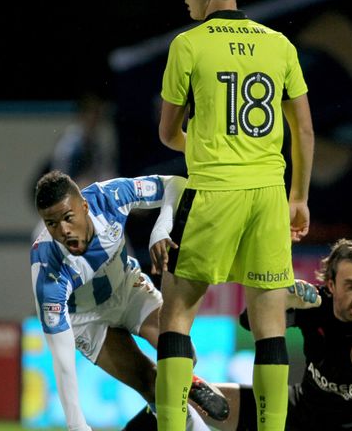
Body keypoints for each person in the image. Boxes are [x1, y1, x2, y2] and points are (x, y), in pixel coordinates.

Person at [154, 0, 315, 429]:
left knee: (176, 318)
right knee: (270, 326)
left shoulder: (187, 45)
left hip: (214, 192)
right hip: (268, 196)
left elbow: (168, 133)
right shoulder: (279, 44)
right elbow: (303, 129)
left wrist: (209, 146)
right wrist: (298, 197)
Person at [128, 239, 352, 431]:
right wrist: (282, 300)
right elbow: (249, 322)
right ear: (330, 285)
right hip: (297, 411)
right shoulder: (313, 305)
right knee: (185, 396)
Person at [31, 170, 229, 431]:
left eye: (68, 218)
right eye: (51, 224)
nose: (63, 231)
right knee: (148, 382)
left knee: (181, 354)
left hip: (128, 290)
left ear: (85, 206)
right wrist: (76, 424)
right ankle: (179, 395)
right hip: (88, 320)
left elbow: (176, 184)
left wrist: (161, 227)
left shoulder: (109, 198)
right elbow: (61, 355)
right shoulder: (48, 267)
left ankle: (182, 381)